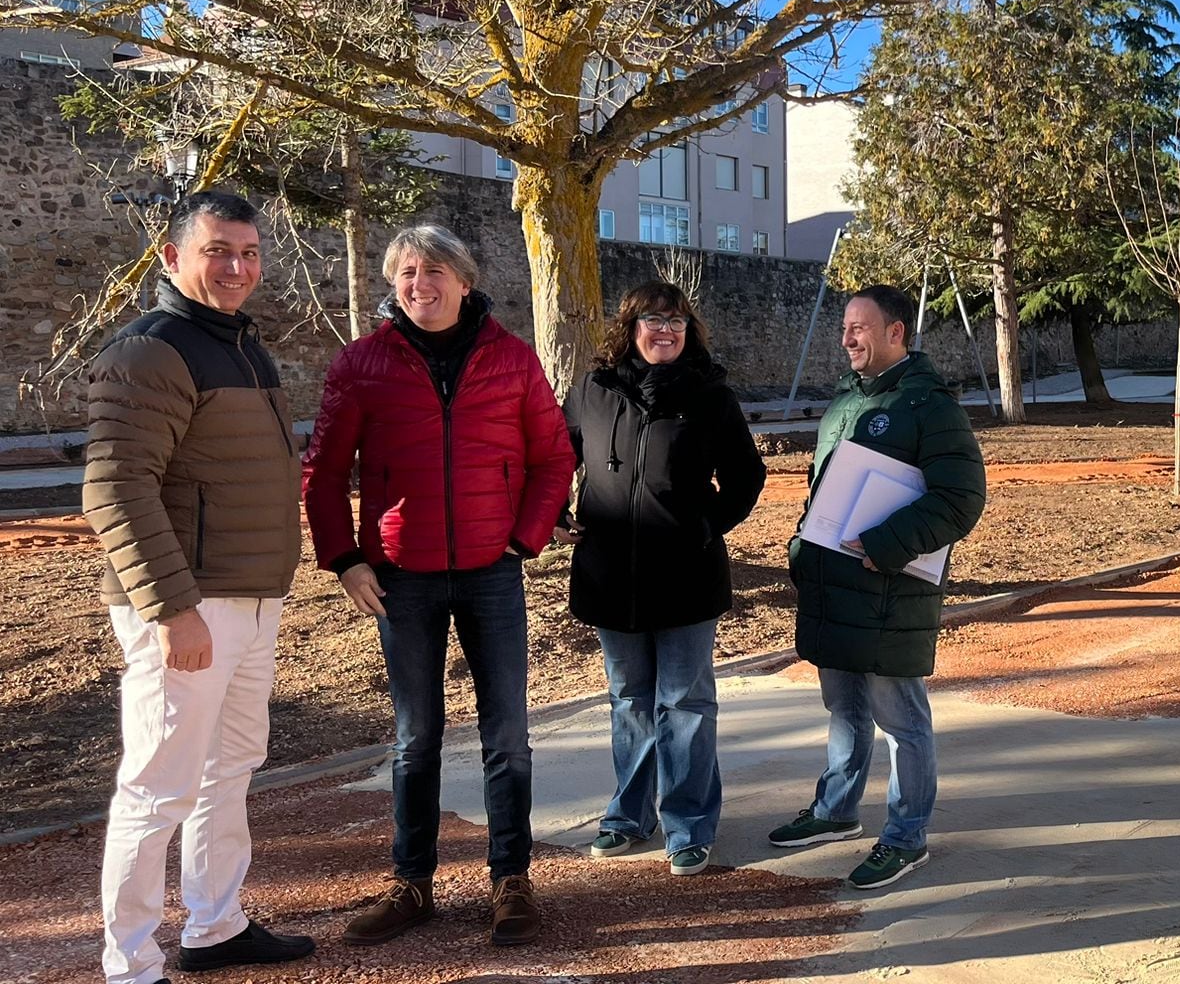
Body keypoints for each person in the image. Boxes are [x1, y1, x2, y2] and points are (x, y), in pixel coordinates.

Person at [301, 225, 574, 948]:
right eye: (406, 272)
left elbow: (554, 457)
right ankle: (410, 882)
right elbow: (324, 472)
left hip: (492, 572)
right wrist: (344, 559)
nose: (419, 284)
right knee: (415, 738)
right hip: (402, 577)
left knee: (508, 735)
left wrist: (525, 539)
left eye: (433, 272)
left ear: (463, 280)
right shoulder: (362, 364)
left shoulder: (512, 360)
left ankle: (510, 880)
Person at [84, 190, 315, 984]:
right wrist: (173, 609)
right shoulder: (151, 351)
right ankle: (131, 965)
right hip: (189, 604)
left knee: (229, 769)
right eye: (218, 250)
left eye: (249, 253)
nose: (237, 267)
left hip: (251, 599)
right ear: (172, 257)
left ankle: (215, 926)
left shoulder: (245, 347)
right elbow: (115, 487)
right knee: (158, 786)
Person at [771, 284, 986, 890]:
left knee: (902, 720)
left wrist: (890, 543)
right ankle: (836, 812)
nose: (846, 338)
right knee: (843, 707)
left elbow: (961, 499)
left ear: (897, 333)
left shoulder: (930, 406)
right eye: (844, 327)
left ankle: (906, 835)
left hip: (891, 589)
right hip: (835, 587)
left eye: (859, 327)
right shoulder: (845, 401)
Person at [557, 281, 767, 876]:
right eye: (652, 319)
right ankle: (629, 815)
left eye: (675, 322)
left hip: (685, 576)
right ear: (630, 327)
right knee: (629, 701)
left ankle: (689, 824)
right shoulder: (593, 391)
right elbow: (553, 455)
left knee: (686, 703)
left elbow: (747, 478)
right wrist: (551, 512)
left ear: (688, 331)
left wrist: (706, 526)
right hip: (609, 575)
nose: (664, 330)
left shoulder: (710, 396)